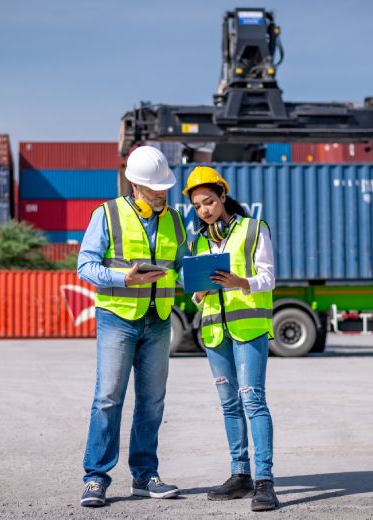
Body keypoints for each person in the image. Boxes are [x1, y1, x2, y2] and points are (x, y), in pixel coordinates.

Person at [76, 146, 188, 507]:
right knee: (108, 399)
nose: (161, 193)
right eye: (154, 188)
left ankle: (144, 475)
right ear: (134, 185)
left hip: (158, 320)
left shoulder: (174, 219)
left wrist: (204, 277)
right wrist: (124, 278)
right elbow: (85, 267)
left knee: (152, 403)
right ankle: (95, 478)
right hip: (117, 319)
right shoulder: (106, 214)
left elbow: (182, 265)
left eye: (164, 187)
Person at [182, 166, 279, 512]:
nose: (205, 210)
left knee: (252, 400)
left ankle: (265, 481)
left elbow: (269, 277)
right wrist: (199, 291)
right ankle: (240, 475)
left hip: (248, 328)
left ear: (224, 196)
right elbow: (194, 294)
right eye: (197, 206)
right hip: (214, 331)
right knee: (229, 404)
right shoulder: (197, 240)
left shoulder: (254, 230)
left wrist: (241, 282)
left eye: (209, 201)